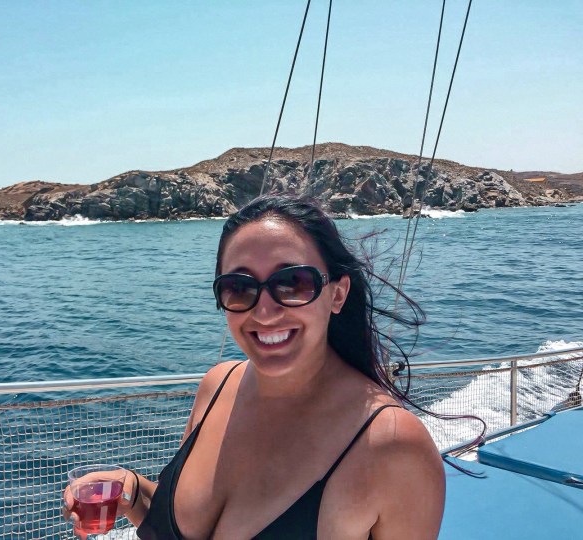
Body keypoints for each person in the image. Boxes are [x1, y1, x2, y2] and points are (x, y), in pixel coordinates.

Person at [65, 194, 445, 539]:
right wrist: (130, 489)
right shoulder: (218, 386)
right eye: (240, 287)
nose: (264, 312)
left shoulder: (391, 445)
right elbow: (177, 525)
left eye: (293, 282)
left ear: (337, 293)